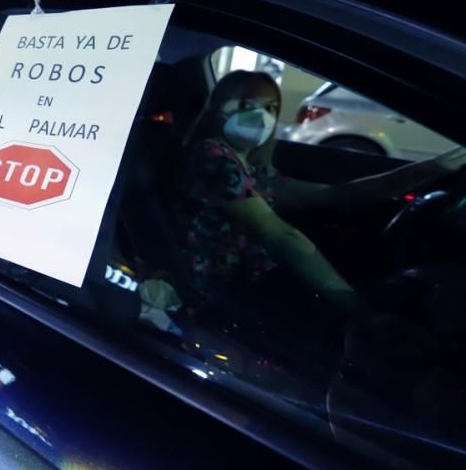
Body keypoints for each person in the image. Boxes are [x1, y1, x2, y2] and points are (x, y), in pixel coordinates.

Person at [179, 70, 466, 315]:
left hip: (252, 278)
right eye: (246, 104)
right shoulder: (213, 156)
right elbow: (280, 235)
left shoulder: (254, 169)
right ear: (219, 107)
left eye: (270, 109)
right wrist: (356, 307)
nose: (260, 117)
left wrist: (430, 169)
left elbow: (336, 195)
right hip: (223, 287)